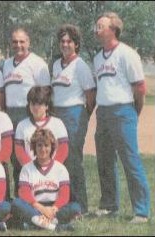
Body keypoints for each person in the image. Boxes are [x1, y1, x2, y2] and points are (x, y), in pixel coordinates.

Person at [92, 12, 150, 223]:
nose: (96, 30)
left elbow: (140, 88)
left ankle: (141, 211)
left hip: (123, 111)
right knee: (105, 160)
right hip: (103, 112)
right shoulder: (97, 57)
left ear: (113, 29)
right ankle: (109, 205)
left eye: (101, 26)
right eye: (96, 27)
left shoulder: (127, 53)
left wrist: (133, 113)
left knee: (130, 160)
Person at [0, 28, 50, 198]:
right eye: (15, 42)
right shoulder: (6, 64)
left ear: (28, 42)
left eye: (22, 41)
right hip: (9, 114)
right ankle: (18, 196)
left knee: (31, 154)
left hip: (29, 114)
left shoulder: (37, 63)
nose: (18, 45)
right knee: (14, 158)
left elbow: (45, 95)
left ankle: (37, 194)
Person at [51, 24, 96, 215]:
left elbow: (91, 95)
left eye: (69, 41)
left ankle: (81, 206)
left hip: (75, 113)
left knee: (73, 159)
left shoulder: (81, 65)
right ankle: (64, 202)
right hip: (57, 114)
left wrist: (83, 114)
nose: (65, 44)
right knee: (58, 158)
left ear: (76, 44)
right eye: (62, 41)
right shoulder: (55, 64)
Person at [11, 129, 80, 231]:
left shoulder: (60, 168)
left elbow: (64, 195)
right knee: (16, 203)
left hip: (55, 208)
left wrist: (53, 209)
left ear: (52, 147)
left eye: (46, 145)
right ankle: (54, 226)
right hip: (35, 207)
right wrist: (42, 210)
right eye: (39, 145)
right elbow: (24, 194)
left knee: (75, 207)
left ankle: (34, 224)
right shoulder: (26, 168)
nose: (43, 149)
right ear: (34, 147)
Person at [14, 86, 68, 194]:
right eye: (33, 104)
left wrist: (52, 167)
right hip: (31, 172)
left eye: (40, 104)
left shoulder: (57, 123)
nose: (36, 107)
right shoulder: (22, 125)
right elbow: (19, 151)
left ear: (47, 106)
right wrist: (32, 168)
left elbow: (63, 149)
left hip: (53, 172)